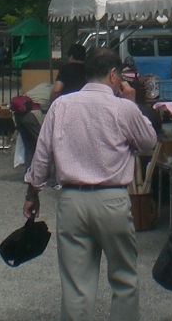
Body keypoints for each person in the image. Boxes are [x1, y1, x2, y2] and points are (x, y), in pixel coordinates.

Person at [23, 47, 157, 321]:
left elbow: (41, 156)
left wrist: (32, 193)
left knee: (76, 286)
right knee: (124, 279)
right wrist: (132, 102)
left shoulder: (62, 105)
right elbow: (148, 142)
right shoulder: (122, 108)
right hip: (112, 198)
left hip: (72, 199)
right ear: (113, 75)